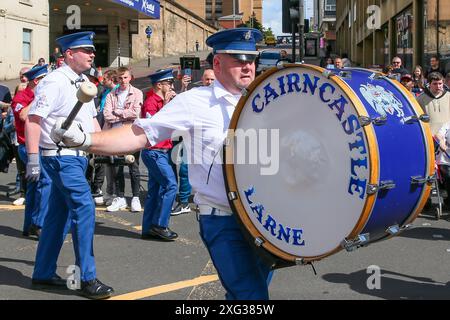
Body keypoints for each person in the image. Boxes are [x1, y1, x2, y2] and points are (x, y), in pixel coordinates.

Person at [51, 28, 274, 300]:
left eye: (251, 60)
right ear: (217, 63)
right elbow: (141, 133)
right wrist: (86, 139)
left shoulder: (266, 99)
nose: (248, 67)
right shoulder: (195, 101)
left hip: (264, 220)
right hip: (224, 220)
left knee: (251, 291)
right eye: (239, 60)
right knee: (251, 297)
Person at [25, 31, 113, 299]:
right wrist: (32, 160)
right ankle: (87, 278)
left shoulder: (84, 81)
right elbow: (33, 119)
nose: (92, 54)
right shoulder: (54, 81)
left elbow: (92, 123)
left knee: (57, 217)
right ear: (69, 54)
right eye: (86, 50)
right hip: (61, 157)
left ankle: (42, 273)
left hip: (77, 157)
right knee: (84, 210)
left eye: (92, 50)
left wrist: (105, 146)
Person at [12, 65, 52, 238]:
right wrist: (37, 98)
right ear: (37, 81)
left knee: (35, 186)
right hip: (27, 147)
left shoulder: (38, 95)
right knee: (46, 181)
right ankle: (38, 223)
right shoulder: (21, 96)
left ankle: (29, 225)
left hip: (39, 146)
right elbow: (22, 116)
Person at [140, 69, 179, 239]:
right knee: (170, 185)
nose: (171, 86)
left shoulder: (161, 101)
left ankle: (148, 228)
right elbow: (155, 126)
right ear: (159, 85)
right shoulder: (151, 102)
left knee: (155, 191)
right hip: (154, 151)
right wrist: (167, 104)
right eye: (169, 83)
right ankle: (160, 225)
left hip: (161, 151)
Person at [103, 66, 142, 212]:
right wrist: (123, 115)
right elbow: (107, 115)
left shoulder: (137, 93)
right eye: (120, 78)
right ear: (117, 79)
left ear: (130, 77)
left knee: (134, 166)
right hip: (115, 134)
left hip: (132, 133)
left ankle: (136, 197)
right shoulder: (111, 95)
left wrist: (118, 112)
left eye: (125, 77)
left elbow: (135, 113)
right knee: (117, 167)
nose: (123, 80)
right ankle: (120, 197)